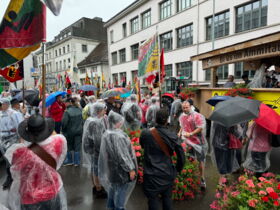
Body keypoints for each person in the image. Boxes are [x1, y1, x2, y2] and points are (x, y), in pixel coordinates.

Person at [5, 110, 67, 210]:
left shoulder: (20, 152)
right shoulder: (59, 142)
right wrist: (44, 126)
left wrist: (24, 137)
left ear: (27, 133)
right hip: (53, 192)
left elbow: (16, 171)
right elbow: (54, 135)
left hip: (29, 198)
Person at [140, 109, 185, 210]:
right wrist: (177, 169)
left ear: (155, 119)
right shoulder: (172, 135)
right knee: (167, 198)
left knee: (152, 199)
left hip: (150, 173)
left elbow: (142, 146)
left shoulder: (145, 133)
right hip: (167, 172)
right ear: (167, 120)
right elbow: (181, 156)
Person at [98, 111, 137, 210]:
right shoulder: (118, 136)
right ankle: (119, 208)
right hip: (121, 170)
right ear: (117, 123)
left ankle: (110, 207)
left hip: (111, 168)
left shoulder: (107, 133)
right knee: (120, 190)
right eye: (120, 121)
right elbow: (122, 156)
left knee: (113, 188)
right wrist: (130, 169)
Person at [178, 101, 208, 189]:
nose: (185, 109)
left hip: (199, 143)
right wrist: (179, 132)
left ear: (191, 106)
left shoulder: (197, 116)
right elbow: (182, 125)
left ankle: (202, 179)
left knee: (201, 160)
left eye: (186, 107)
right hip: (188, 142)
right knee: (190, 158)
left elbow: (201, 127)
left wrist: (191, 134)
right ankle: (191, 177)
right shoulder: (182, 116)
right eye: (183, 107)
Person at [82, 102, 108, 198]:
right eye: (104, 109)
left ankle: (95, 186)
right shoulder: (96, 122)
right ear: (99, 110)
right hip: (96, 150)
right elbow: (98, 139)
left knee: (94, 167)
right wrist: (103, 150)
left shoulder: (90, 120)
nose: (105, 111)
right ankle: (98, 188)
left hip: (91, 149)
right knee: (97, 168)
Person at [0, 98, 23, 190]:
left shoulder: (15, 114)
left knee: (13, 159)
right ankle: (10, 177)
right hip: (2, 140)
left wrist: (21, 140)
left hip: (13, 139)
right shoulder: (0, 114)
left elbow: (20, 127)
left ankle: (16, 177)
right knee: (7, 159)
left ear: (6, 104)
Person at [61, 98, 83, 166]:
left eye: (66, 102)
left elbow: (64, 123)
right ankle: (77, 161)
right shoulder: (79, 109)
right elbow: (82, 120)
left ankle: (70, 160)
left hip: (69, 132)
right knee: (77, 146)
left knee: (69, 146)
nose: (65, 104)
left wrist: (63, 130)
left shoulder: (67, 112)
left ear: (69, 103)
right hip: (79, 131)